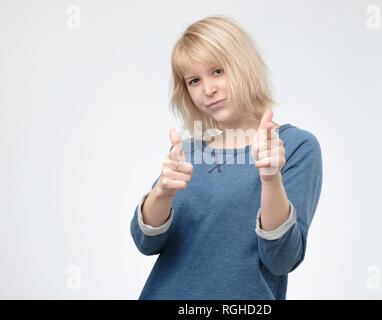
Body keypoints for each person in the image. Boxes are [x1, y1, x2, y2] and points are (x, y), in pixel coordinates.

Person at [130, 15, 323, 300]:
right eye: (194, 80)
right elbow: (146, 242)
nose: (208, 90)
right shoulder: (188, 151)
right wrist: (162, 192)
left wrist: (270, 180)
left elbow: (281, 259)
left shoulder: (294, 146)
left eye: (218, 71)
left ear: (244, 65)